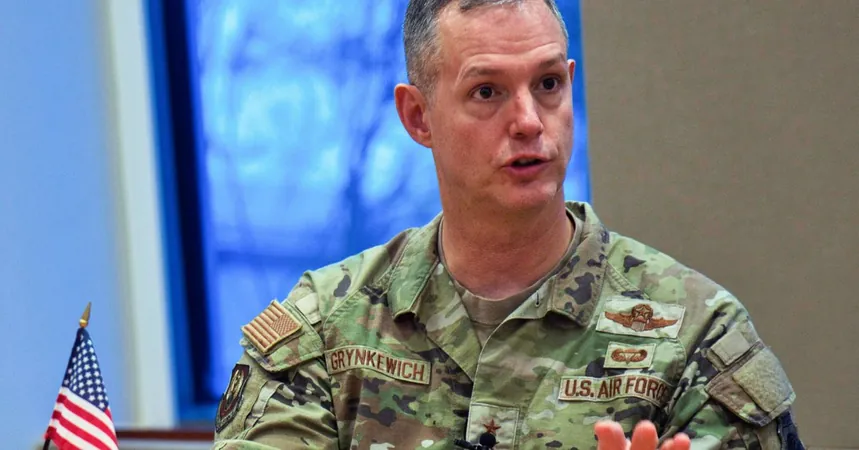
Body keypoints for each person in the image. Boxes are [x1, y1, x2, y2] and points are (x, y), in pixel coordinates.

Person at [212, 1, 804, 449]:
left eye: (548, 84)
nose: (528, 121)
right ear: (418, 116)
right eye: (487, 91)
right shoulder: (322, 332)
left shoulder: (696, 335)